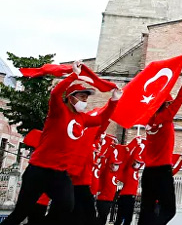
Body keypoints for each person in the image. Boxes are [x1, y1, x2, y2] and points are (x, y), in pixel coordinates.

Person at [1, 63, 121, 225]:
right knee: (21, 212)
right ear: (71, 98)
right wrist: (73, 75)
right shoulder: (58, 111)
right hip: (39, 169)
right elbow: (55, 93)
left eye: (86, 98)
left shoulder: (82, 119)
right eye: (82, 97)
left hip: (59, 173)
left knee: (66, 207)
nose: (85, 100)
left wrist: (113, 101)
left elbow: (101, 119)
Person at [138, 56, 182, 225]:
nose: (171, 105)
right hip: (162, 170)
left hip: (148, 172)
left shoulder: (147, 119)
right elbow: (181, 96)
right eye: (168, 103)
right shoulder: (167, 116)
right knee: (169, 210)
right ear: (165, 104)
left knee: (146, 212)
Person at [115, 145, 144, 225]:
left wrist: (141, 148)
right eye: (137, 162)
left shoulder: (136, 171)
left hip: (131, 196)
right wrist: (137, 147)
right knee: (122, 217)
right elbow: (130, 159)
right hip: (126, 196)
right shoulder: (129, 169)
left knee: (127, 218)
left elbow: (142, 161)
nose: (138, 164)